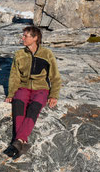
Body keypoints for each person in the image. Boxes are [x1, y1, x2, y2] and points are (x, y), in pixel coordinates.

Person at [4, 26, 61, 159]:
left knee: (34, 108)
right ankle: (21, 142)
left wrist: (53, 95)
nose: (22, 38)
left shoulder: (47, 54)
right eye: (23, 35)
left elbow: (55, 76)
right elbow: (14, 76)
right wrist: (11, 94)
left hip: (41, 89)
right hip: (23, 87)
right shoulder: (19, 54)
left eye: (26, 36)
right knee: (18, 106)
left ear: (35, 38)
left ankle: (18, 141)